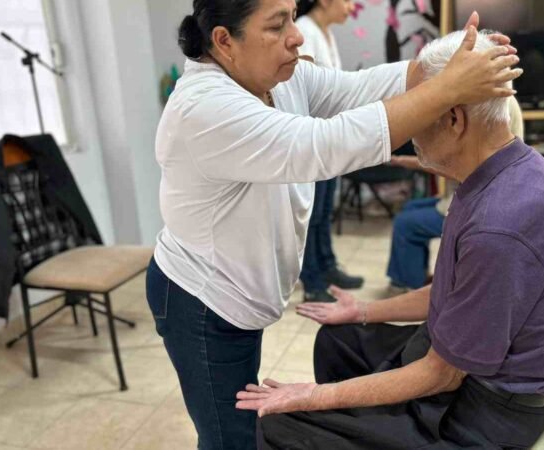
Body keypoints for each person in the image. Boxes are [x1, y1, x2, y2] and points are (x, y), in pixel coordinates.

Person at [148, 0, 521, 447]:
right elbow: (322, 145)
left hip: (239, 288)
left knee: (242, 423)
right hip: (202, 299)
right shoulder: (202, 109)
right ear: (224, 41)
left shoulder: (278, 77)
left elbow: (359, 88)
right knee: (233, 438)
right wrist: (445, 89)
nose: (297, 35)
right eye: (276, 25)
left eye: (291, 15)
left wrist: (446, 64)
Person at [236, 30, 544, 449]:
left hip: (483, 414)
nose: (409, 128)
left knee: (275, 430)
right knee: (339, 340)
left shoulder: (503, 223)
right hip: (461, 369)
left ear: (455, 119)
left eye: (419, 114)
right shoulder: (500, 172)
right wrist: (363, 310)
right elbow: (455, 291)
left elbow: (441, 374)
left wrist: (312, 397)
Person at [386, 97, 524, 293]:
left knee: (405, 222)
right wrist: (401, 160)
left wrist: (402, 160)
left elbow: (452, 165)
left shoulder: (480, 107)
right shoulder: (502, 103)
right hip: (469, 195)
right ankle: (414, 275)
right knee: (410, 209)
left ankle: (407, 284)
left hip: (472, 203)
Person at [295, 0, 364, 302]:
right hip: (314, 141)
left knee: (323, 211)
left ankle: (326, 266)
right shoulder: (304, 31)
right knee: (311, 215)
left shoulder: (325, 32)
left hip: (329, 139)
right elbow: (307, 92)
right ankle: (312, 281)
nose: (352, 6)